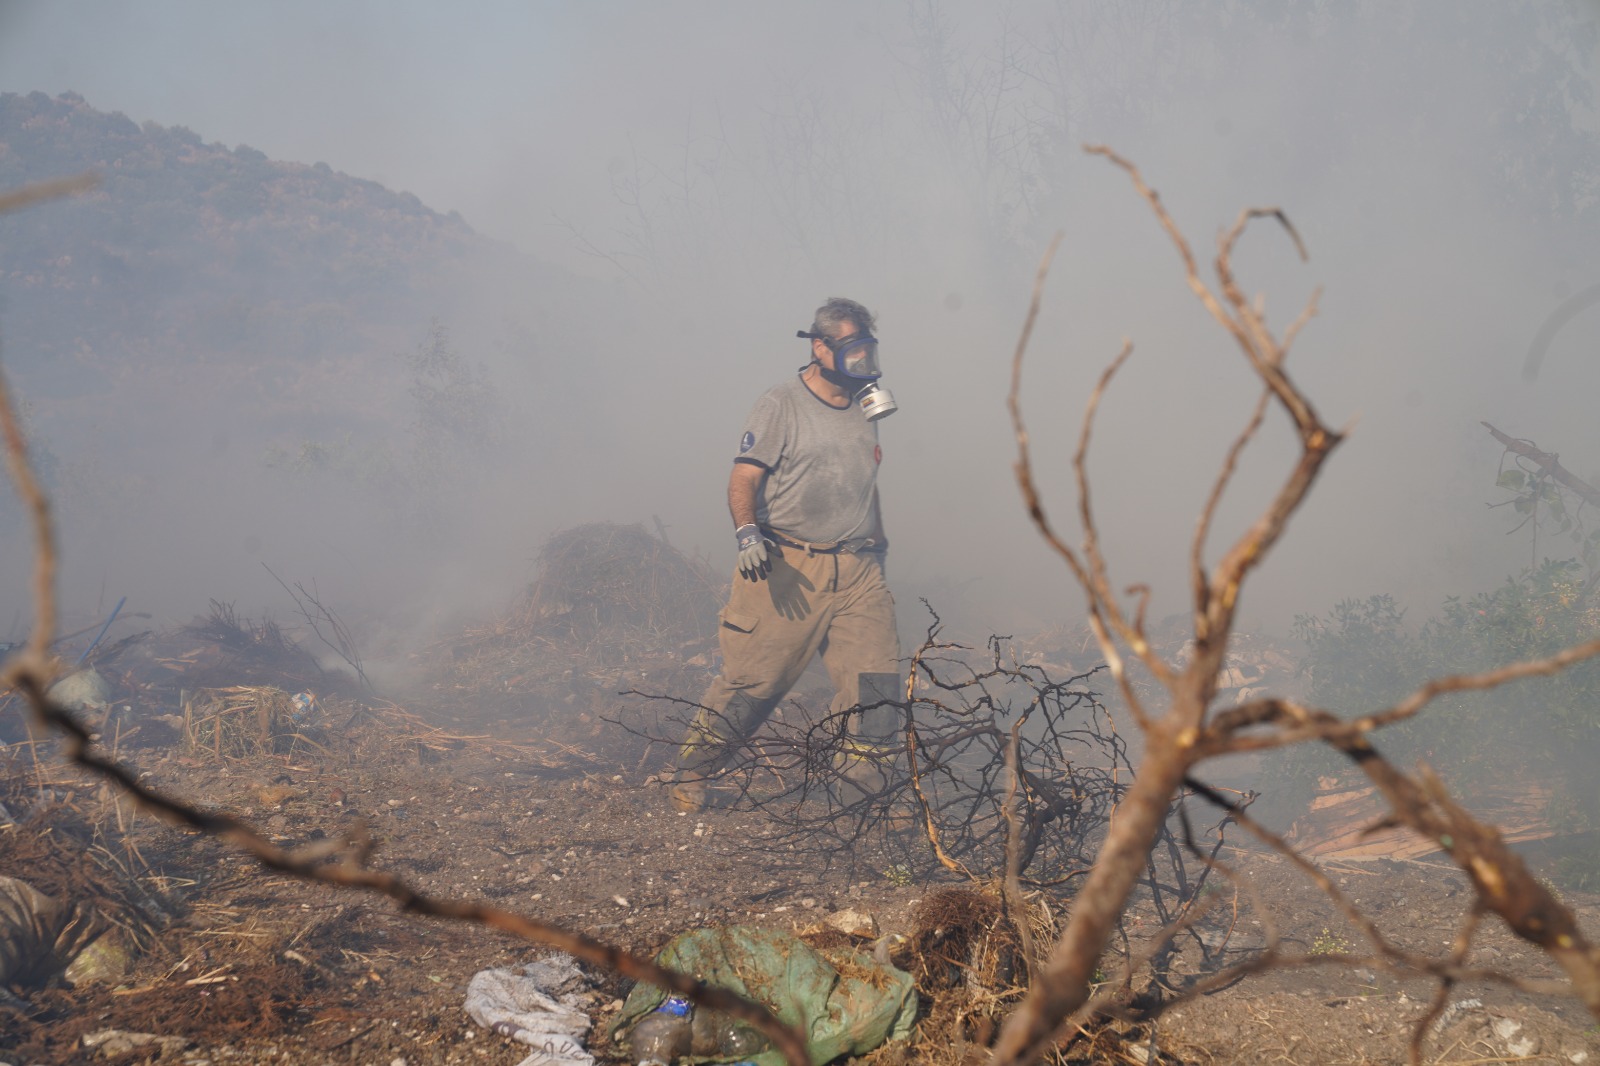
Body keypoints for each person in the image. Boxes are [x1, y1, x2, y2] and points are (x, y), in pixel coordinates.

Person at [671, 297, 902, 814]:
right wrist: (748, 533)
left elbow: (867, 482)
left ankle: (865, 797)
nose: (862, 362)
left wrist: (879, 549)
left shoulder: (867, 408)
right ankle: (692, 771)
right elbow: (744, 475)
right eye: (851, 349)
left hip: (859, 569)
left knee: (878, 691)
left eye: (867, 349)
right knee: (755, 682)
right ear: (820, 347)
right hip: (788, 564)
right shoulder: (781, 404)